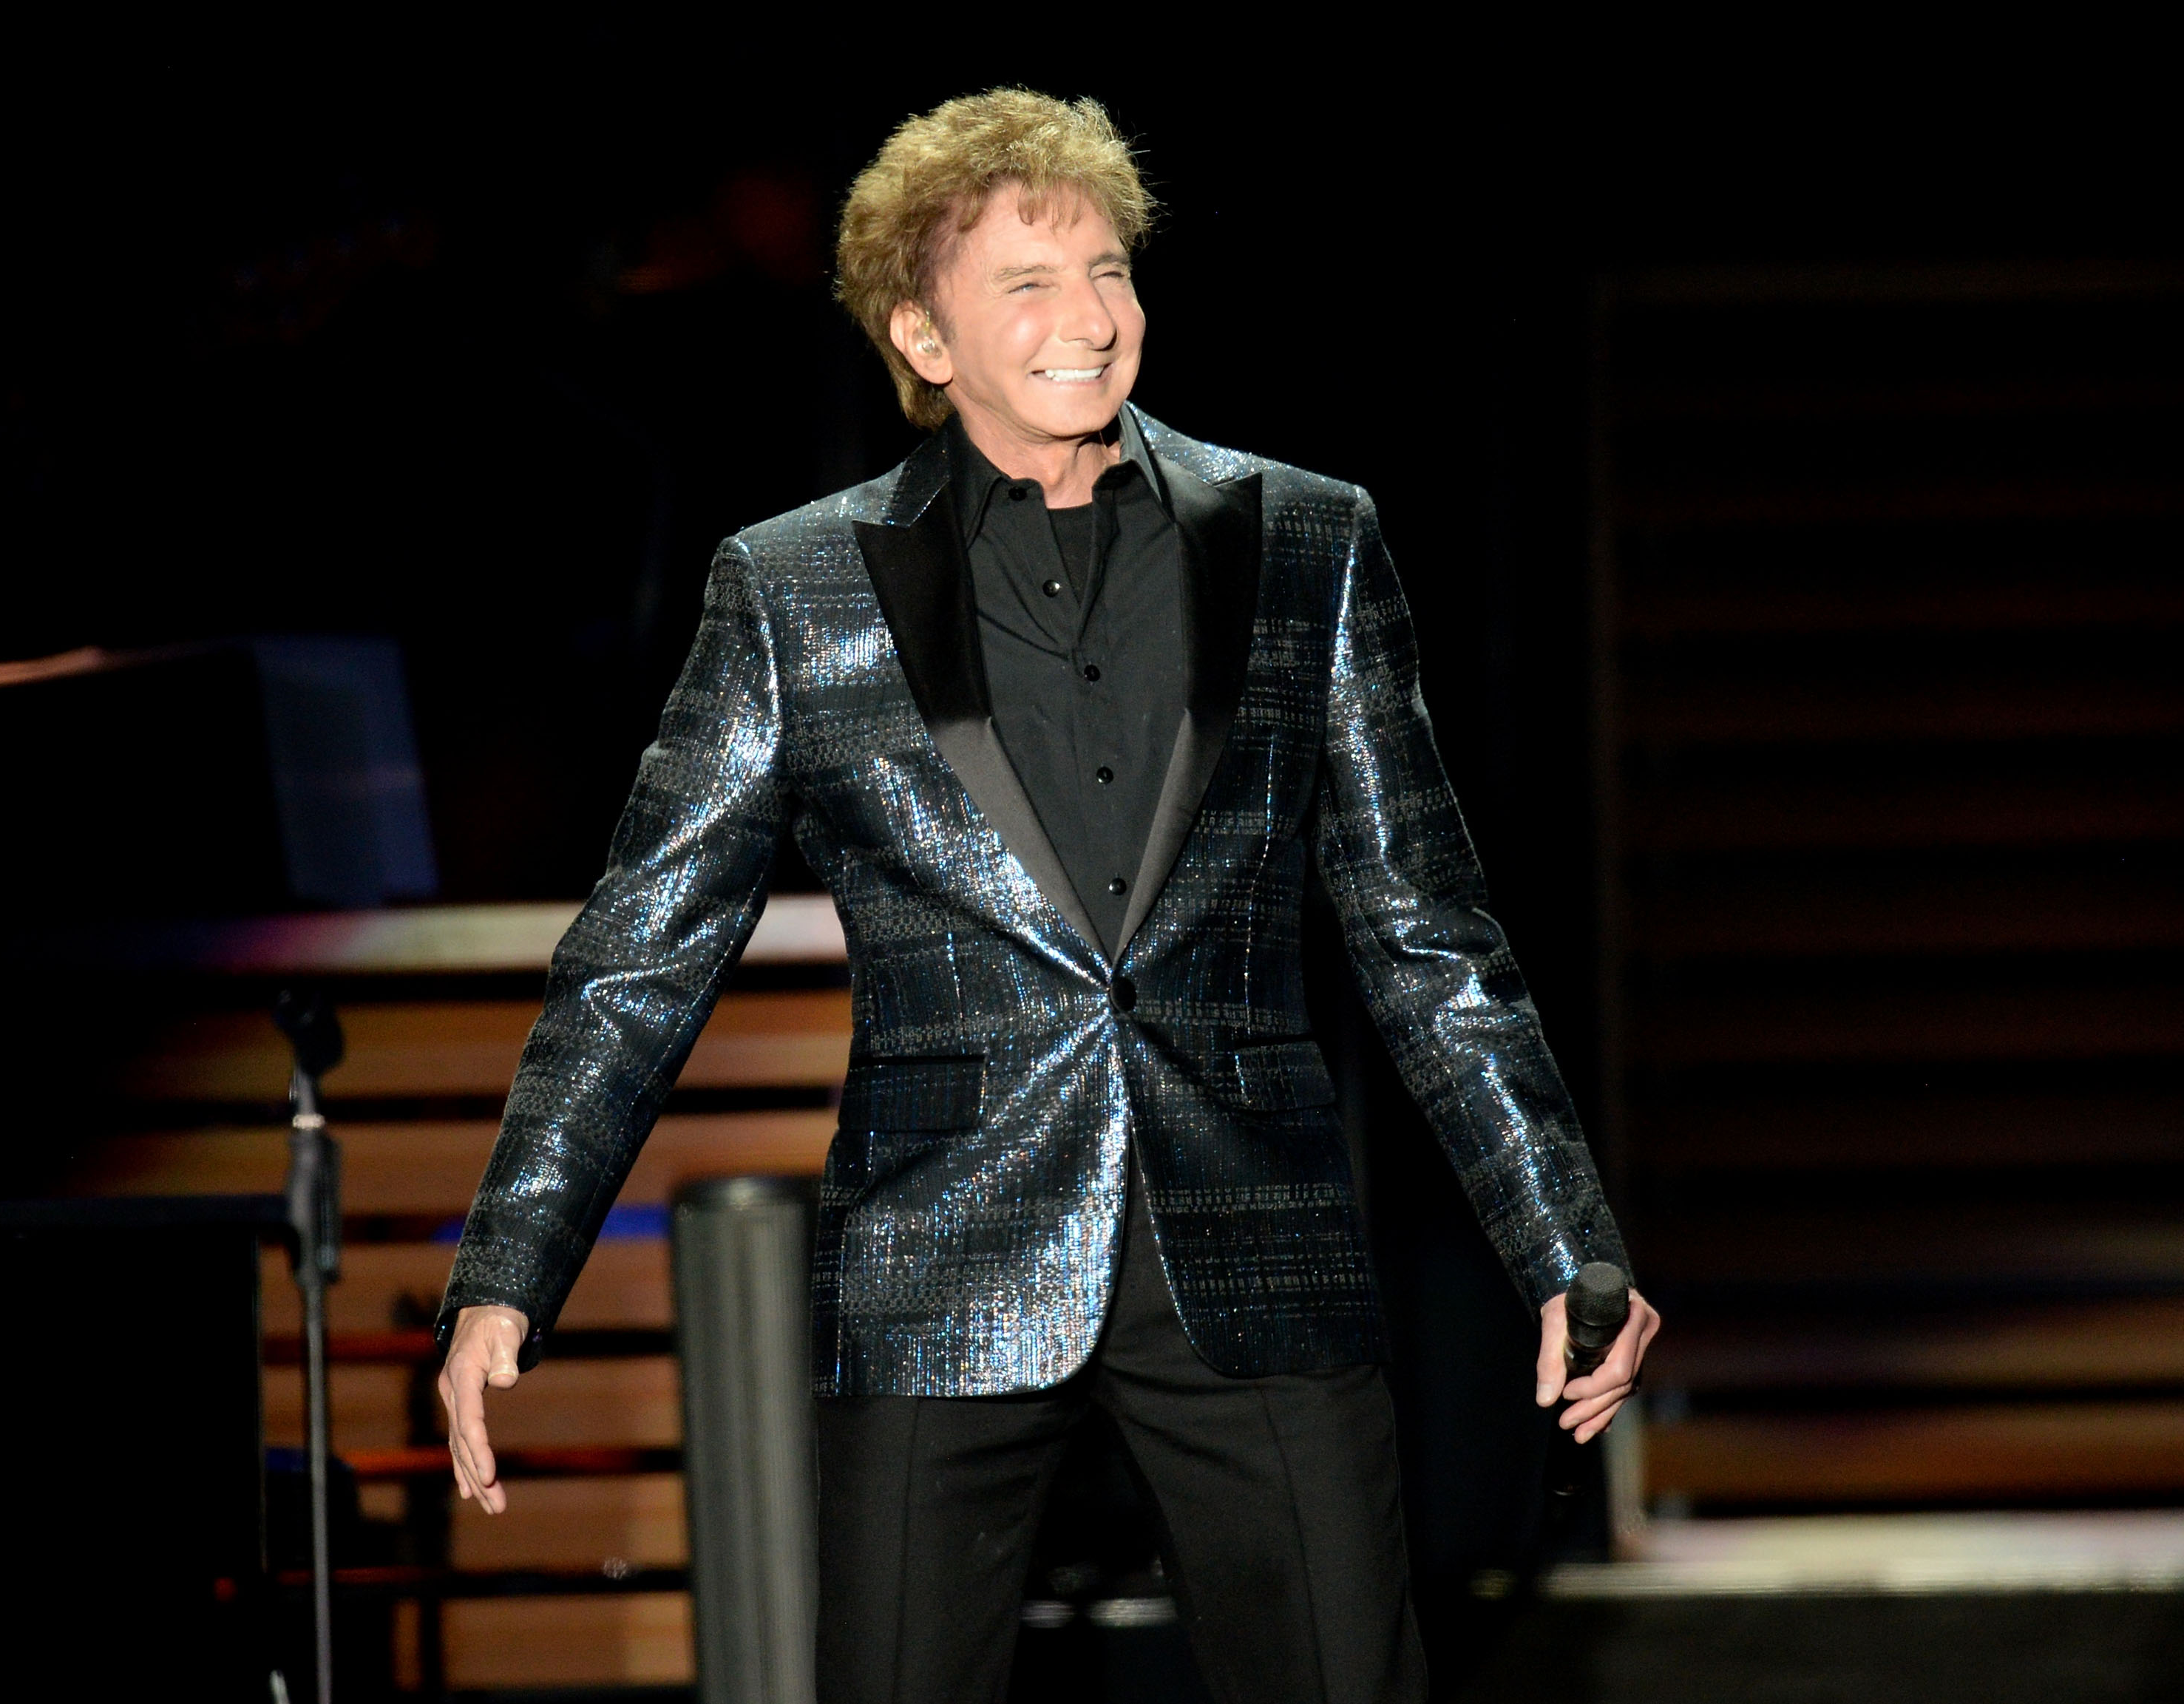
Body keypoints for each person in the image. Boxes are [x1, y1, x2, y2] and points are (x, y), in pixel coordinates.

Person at [435, 88, 1659, 1703]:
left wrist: (1564, 1238)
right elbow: (639, 955)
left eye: (1109, 272)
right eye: (1029, 283)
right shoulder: (796, 588)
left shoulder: (1306, 542)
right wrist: (509, 1269)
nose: (1090, 318)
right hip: (942, 1250)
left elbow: (1427, 934)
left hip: (1256, 1241)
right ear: (922, 334)